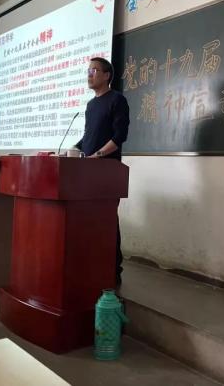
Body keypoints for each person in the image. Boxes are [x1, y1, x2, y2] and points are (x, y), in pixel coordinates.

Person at [74, 57, 130, 285]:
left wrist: (97, 155)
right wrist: (74, 149)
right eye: (88, 70)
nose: (89, 74)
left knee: (106, 219)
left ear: (107, 75)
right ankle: (93, 263)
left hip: (107, 171)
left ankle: (113, 268)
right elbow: (89, 136)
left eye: (94, 70)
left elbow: (119, 136)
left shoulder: (117, 100)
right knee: (89, 219)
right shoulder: (90, 105)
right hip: (88, 170)